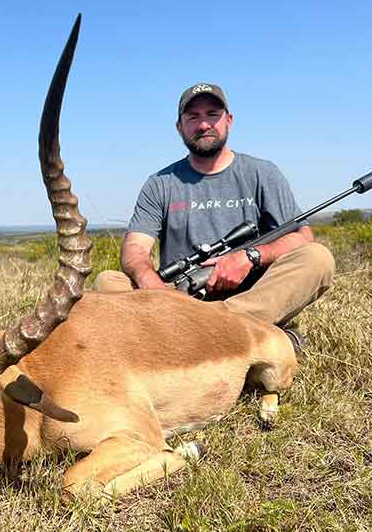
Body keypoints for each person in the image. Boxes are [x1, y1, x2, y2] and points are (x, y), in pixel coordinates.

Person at [93, 83, 335, 340]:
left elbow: (302, 237)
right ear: (179, 127)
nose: (204, 124)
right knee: (108, 282)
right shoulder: (160, 183)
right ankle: (247, 336)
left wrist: (249, 256)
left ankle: (195, 335)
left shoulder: (263, 173)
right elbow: (135, 249)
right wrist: (151, 285)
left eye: (212, 115)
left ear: (228, 120)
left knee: (317, 258)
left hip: (249, 295)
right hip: (179, 298)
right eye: (193, 117)